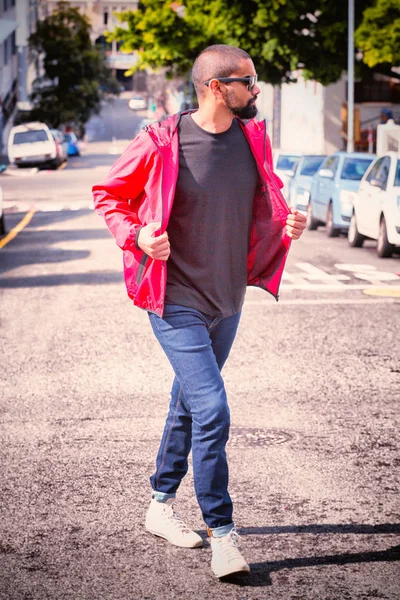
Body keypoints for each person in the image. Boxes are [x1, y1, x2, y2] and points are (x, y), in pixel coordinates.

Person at [92, 44, 306, 579]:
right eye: (248, 81)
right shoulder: (161, 139)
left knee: (189, 404)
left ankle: (160, 504)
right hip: (175, 300)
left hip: (227, 299)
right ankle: (224, 535)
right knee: (213, 410)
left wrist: (286, 225)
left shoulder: (253, 138)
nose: (256, 91)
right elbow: (107, 195)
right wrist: (139, 236)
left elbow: (264, 198)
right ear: (217, 87)